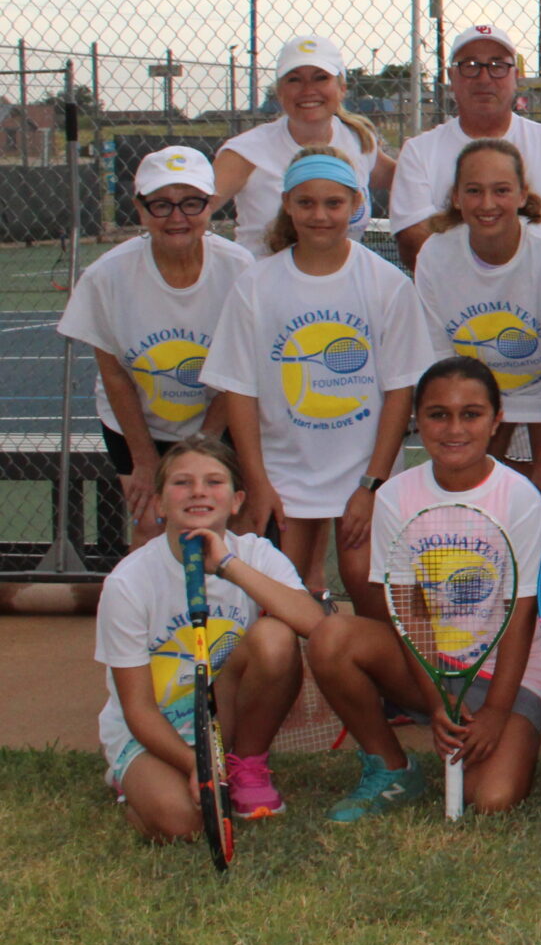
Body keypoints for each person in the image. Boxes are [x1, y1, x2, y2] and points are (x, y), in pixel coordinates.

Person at [305, 356, 541, 821]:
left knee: (492, 798)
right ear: (418, 420)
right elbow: (409, 613)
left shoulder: (519, 497)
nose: (454, 428)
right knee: (332, 637)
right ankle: (392, 767)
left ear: (496, 420)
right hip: (430, 666)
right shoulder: (396, 496)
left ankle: (496, 727)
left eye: (471, 414)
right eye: (439, 414)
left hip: (505, 676)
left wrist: (497, 711)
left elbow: (521, 616)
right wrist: (438, 702)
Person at [203, 149, 435, 596]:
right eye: (306, 203)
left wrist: (371, 486)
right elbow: (240, 393)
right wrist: (258, 483)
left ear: (355, 205)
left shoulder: (388, 285)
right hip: (282, 479)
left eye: (334, 203)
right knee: (284, 597)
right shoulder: (255, 284)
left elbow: (399, 394)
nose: (321, 215)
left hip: (364, 476)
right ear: (287, 204)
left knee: (364, 585)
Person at [94, 436, 325, 838]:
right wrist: (192, 764)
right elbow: (138, 708)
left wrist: (229, 566)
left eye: (214, 482)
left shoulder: (256, 554)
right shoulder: (128, 583)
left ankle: (245, 765)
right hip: (156, 730)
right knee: (184, 824)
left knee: (274, 636)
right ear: (161, 504)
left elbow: (314, 623)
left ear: (236, 502)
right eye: (182, 482)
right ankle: (136, 783)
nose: (199, 491)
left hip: (224, 718)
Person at [58, 146, 253, 534]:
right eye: (161, 204)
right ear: (140, 207)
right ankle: (146, 597)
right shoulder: (107, 276)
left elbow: (240, 373)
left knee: (229, 529)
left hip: (218, 420)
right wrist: (145, 460)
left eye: (191, 203)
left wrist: (203, 444)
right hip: (137, 426)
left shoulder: (242, 270)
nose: (177, 217)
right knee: (150, 524)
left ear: (212, 204)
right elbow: (115, 376)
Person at [411, 139, 541, 508]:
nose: (487, 204)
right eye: (474, 191)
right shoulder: (435, 255)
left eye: (501, 191)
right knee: (479, 501)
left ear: (522, 195)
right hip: (477, 394)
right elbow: (445, 367)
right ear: (456, 197)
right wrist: (471, 423)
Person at [388, 24, 541, 265]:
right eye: (470, 66)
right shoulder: (419, 151)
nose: (484, 78)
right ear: (451, 77)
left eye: (497, 66)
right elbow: (413, 240)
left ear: (516, 76)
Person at [211, 36, 393, 241]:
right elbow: (192, 212)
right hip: (266, 272)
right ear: (280, 92)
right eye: (294, 79)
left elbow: (403, 178)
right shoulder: (245, 152)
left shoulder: (357, 139)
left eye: (320, 78)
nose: (308, 90)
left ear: (342, 88)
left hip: (341, 272)